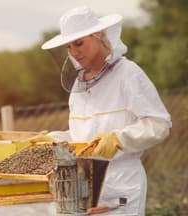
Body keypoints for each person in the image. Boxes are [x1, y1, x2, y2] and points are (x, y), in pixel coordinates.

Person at [41, 6, 171, 216]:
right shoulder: (79, 85)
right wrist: (57, 139)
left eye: (79, 43)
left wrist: (119, 139)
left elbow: (159, 125)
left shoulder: (128, 74)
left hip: (120, 186)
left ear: (99, 35)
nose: (74, 52)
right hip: (83, 186)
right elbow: (84, 137)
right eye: (68, 46)